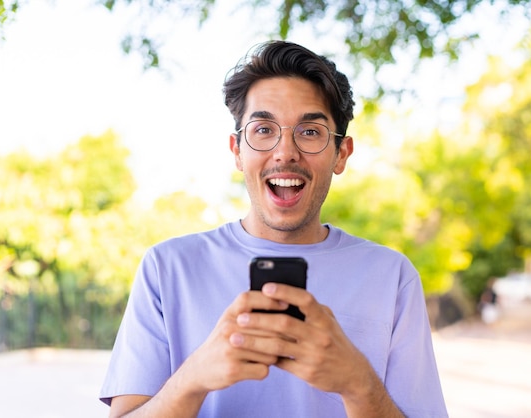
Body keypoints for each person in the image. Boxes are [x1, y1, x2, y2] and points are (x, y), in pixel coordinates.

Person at [100, 40, 448, 418]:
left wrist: (357, 383)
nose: (285, 152)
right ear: (237, 150)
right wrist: (193, 377)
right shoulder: (166, 268)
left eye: (310, 132)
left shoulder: (392, 277)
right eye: (264, 129)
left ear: (341, 154)